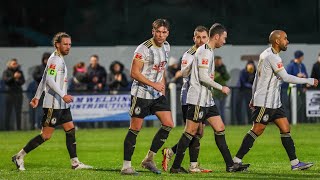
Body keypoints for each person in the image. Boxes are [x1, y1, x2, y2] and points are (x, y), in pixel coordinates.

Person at [169, 23, 249, 173]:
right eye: (224, 38)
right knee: (190, 132)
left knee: (220, 128)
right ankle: (175, 166)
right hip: (198, 99)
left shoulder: (208, 51)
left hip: (207, 99)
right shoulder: (205, 52)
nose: (224, 41)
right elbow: (203, 76)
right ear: (217, 36)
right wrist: (221, 87)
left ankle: (230, 165)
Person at [232, 30, 317, 171]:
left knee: (285, 128)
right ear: (277, 41)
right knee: (257, 129)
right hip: (265, 102)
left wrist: (253, 97)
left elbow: (257, 78)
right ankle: (236, 161)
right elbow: (286, 77)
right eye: (285, 39)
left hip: (274, 102)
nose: (287, 41)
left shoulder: (266, 53)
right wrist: (308, 80)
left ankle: (295, 163)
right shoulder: (272, 57)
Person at [12, 32, 92, 171]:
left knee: (70, 130)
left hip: (62, 104)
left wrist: (36, 97)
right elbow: (49, 80)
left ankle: (75, 163)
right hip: (53, 104)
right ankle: (19, 156)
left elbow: (44, 78)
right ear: (57, 44)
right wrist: (63, 95)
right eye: (65, 44)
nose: (68, 47)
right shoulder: (55, 59)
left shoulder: (58, 58)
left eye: (69, 44)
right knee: (46, 135)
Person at [121, 19, 174, 175]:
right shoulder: (143, 48)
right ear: (153, 31)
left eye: (164, 32)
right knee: (135, 128)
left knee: (168, 124)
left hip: (157, 94)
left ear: (168, 33)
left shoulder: (166, 46)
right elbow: (134, 73)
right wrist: (154, 84)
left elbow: (162, 70)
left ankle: (149, 159)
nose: (161, 35)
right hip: (141, 94)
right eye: (158, 31)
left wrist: (161, 88)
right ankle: (126, 166)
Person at [162, 26, 212, 173]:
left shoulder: (207, 52)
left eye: (204, 37)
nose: (201, 40)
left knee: (199, 132)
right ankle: (185, 163)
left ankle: (182, 159)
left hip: (202, 98)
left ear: (207, 38)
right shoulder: (189, 55)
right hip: (190, 98)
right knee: (192, 131)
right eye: (198, 37)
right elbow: (185, 75)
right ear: (194, 38)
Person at [282, 50, 309, 123]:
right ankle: (291, 120)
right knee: (294, 104)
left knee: (300, 104)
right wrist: (297, 75)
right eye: (302, 56)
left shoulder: (302, 65)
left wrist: (305, 81)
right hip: (291, 89)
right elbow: (287, 77)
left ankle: (298, 120)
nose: (303, 58)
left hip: (300, 88)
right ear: (299, 57)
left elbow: (306, 75)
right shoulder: (291, 66)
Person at [2, 58, 25, 130]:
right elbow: (6, 80)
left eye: (16, 63)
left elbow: (22, 82)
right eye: (13, 64)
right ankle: (7, 128)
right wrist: (14, 77)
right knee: (8, 112)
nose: (15, 65)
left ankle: (19, 128)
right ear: (9, 64)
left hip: (18, 94)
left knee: (18, 112)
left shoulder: (20, 72)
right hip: (9, 94)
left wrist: (18, 79)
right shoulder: (6, 72)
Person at [30, 52, 51, 129]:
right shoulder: (38, 68)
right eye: (46, 59)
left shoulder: (52, 68)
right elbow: (35, 76)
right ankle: (38, 125)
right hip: (40, 92)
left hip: (49, 92)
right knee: (39, 110)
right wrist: (44, 76)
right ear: (44, 60)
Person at [212, 56, 230, 121]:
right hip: (215, 92)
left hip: (223, 93)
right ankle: (217, 123)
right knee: (217, 109)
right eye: (217, 61)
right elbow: (214, 79)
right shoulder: (211, 68)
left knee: (222, 109)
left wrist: (223, 72)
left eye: (220, 61)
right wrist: (218, 73)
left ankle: (223, 123)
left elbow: (227, 77)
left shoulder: (223, 68)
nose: (219, 62)